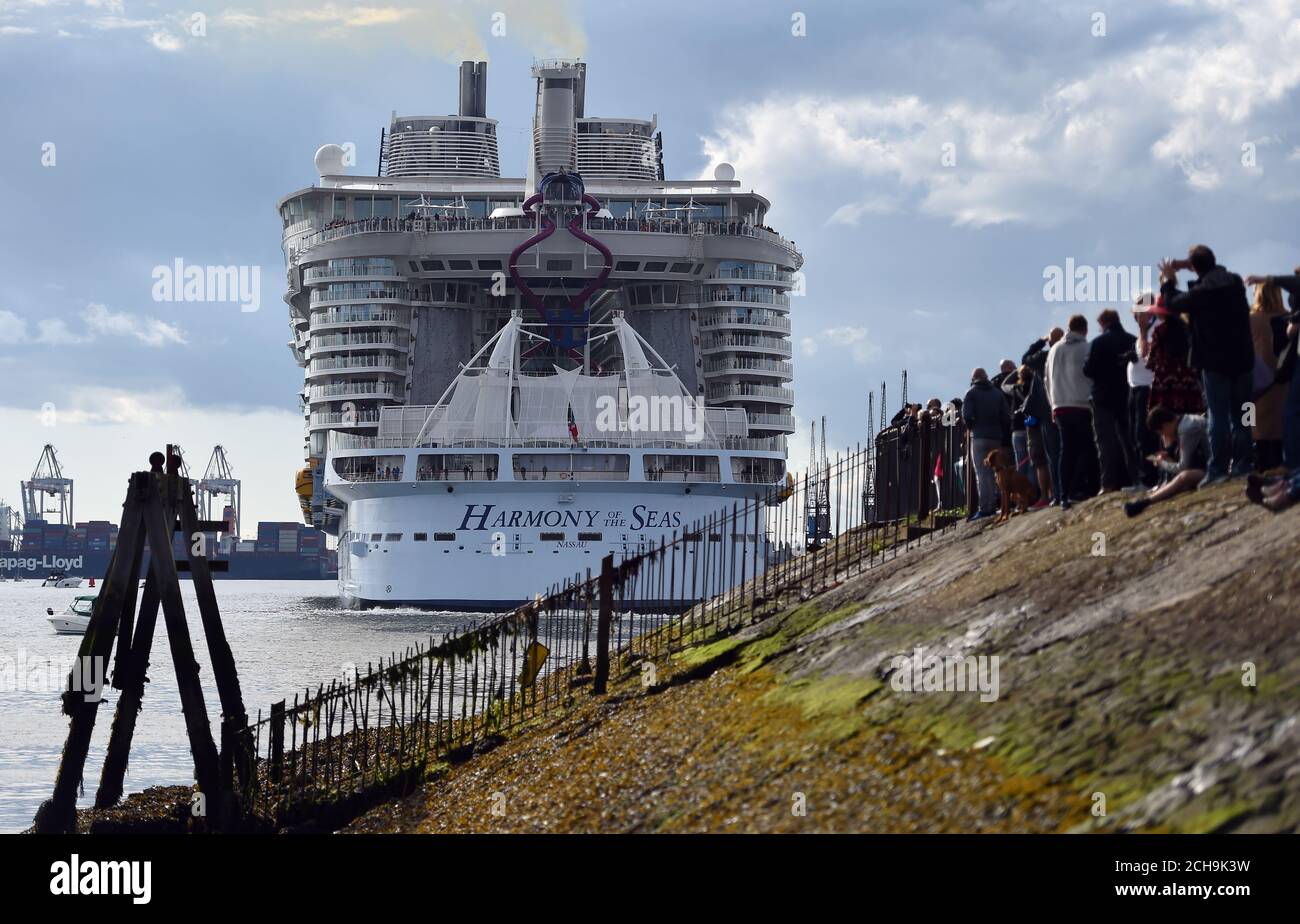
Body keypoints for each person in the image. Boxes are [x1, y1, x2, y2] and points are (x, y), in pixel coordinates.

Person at [1159, 245, 1255, 482]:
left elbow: (1172, 303)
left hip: (1214, 362)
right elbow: (1212, 273)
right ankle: (1245, 463)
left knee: (1218, 416)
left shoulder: (1202, 294)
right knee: (1245, 413)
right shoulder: (1234, 282)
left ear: (1195, 268)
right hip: (1244, 359)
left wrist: (1168, 282)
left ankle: (1219, 469)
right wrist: (1189, 264)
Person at [1245, 268, 1300, 469]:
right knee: (1282, 427)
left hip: (1255, 386)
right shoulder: (1289, 317)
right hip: (1282, 381)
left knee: (1249, 426)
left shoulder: (1250, 320)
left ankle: (1253, 465)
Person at [1084, 308, 1138, 492]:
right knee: (1129, 439)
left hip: (1102, 397)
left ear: (1103, 323)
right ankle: (1135, 478)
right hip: (1126, 393)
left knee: (1105, 443)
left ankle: (1108, 483)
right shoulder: (1132, 339)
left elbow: (1088, 370)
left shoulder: (1098, 342)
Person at [1045, 315, 1096, 509]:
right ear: (1084, 329)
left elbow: (1046, 380)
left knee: (1066, 450)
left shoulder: (1054, 350)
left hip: (1059, 406)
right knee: (1086, 448)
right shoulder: (1087, 347)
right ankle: (1081, 489)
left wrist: (1052, 404)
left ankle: (1064, 494)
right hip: (1082, 404)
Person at [1124, 405, 1210, 517]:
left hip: (1213, 468)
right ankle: (1158, 492)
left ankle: (1144, 503)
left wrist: (1162, 464)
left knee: (1184, 476)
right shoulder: (1183, 422)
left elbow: (1182, 467)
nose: (1163, 436)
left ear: (1165, 426)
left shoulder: (1186, 429)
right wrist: (1167, 456)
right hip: (1206, 464)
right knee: (1179, 479)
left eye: (1161, 433)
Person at [962, 367, 1010, 520]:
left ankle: (985, 508)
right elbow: (1005, 416)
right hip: (996, 437)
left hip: (979, 437)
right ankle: (999, 503)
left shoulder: (971, 393)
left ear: (973, 379)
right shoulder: (997, 393)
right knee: (998, 471)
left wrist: (972, 427)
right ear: (987, 377)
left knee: (982, 473)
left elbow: (967, 416)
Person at [1023, 328, 1065, 504]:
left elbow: (1025, 358)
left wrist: (1041, 340)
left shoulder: (1043, 357)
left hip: (1049, 412)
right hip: (1070, 405)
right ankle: (1071, 490)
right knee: (1070, 450)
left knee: (1053, 455)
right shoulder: (1067, 353)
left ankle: (1058, 494)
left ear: (1049, 341)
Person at [1129, 293, 1159, 488]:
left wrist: (1142, 329)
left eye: (1141, 309)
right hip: (1136, 387)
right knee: (1137, 435)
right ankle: (1144, 477)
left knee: (1145, 435)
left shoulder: (1155, 329)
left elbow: (1149, 357)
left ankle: (1150, 478)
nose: (1137, 314)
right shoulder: (1145, 331)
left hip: (1148, 387)